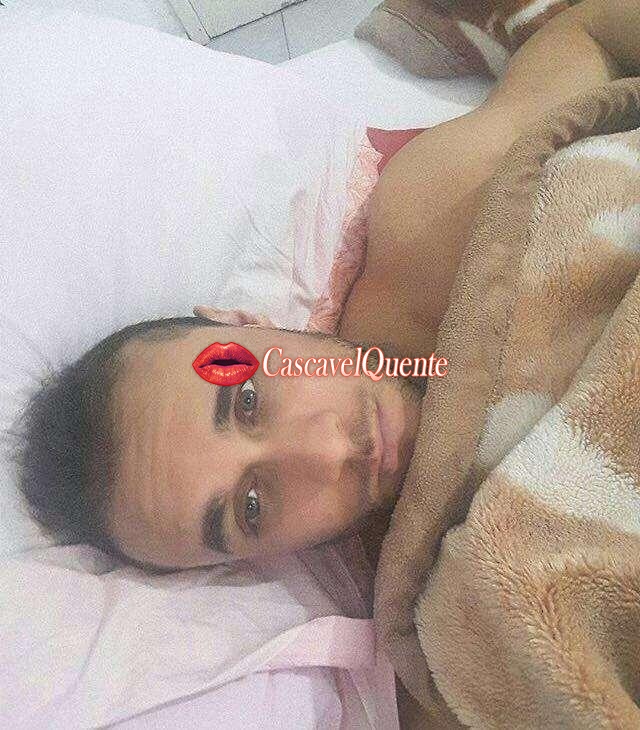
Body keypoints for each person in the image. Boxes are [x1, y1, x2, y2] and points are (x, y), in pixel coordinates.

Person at [13, 0, 640, 573]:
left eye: (248, 398)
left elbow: (590, 37)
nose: (329, 450)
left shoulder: (432, 213)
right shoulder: (426, 591)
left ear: (241, 323)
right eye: (252, 507)